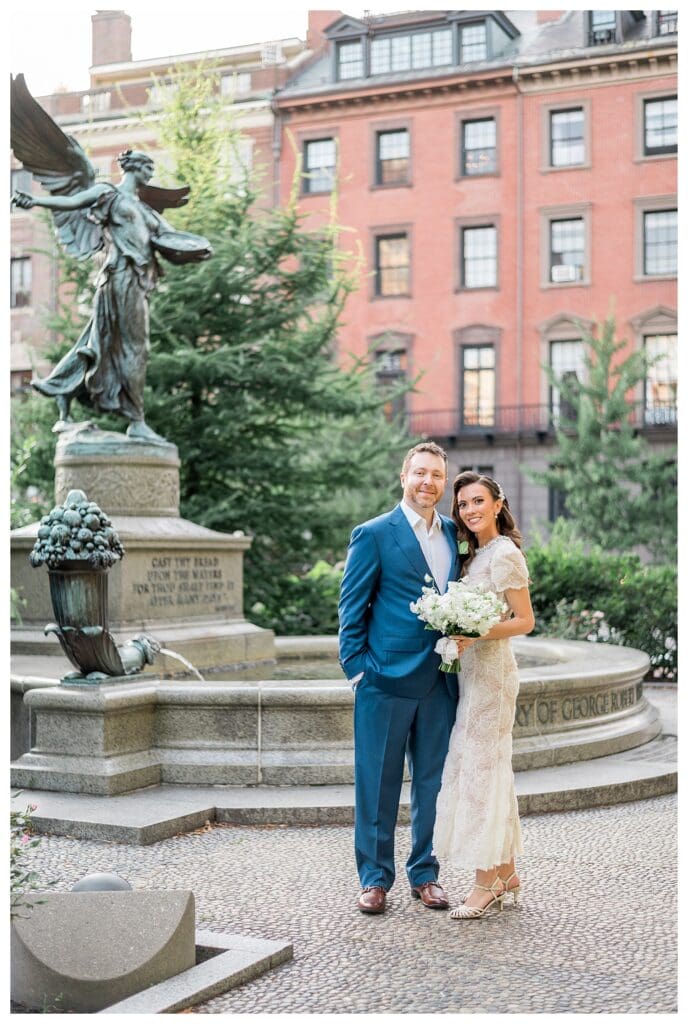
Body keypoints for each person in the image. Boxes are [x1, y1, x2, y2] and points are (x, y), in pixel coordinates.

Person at [338, 441, 463, 914]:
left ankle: (425, 873)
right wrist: (357, 673)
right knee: (378, 784)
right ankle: (374, 879)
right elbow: (351, 611)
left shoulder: (455, 534)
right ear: (404, 477)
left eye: (436, 475)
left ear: (443, 482)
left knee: (431, 783)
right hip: (383, 682)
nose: (428, 482)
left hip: (439, 681)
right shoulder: (373, 534)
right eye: (420, 473)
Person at [12, 149, 211, 441]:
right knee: (133, 347)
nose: (151, 174)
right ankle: (136, 420)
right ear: (133, 168)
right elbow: (71, 202)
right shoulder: (109, 194)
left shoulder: (145, 210)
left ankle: (62, 392)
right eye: (148, 168)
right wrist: (36, 200)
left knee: (103, 343)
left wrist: (198, 247)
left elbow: (170, 237)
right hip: (120, 277)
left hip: (138, 282)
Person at [432, 471, 535, 920]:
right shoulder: (474, 556)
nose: (470, 510)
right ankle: (506, 871)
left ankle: (485, 883)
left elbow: (525, 621)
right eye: (463, 505)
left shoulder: (506, 554)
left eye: (478, 501)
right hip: (472, 675)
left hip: (493, 676)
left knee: (479, 773)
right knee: (489, 769)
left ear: (497, 504)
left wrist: (477, 631)